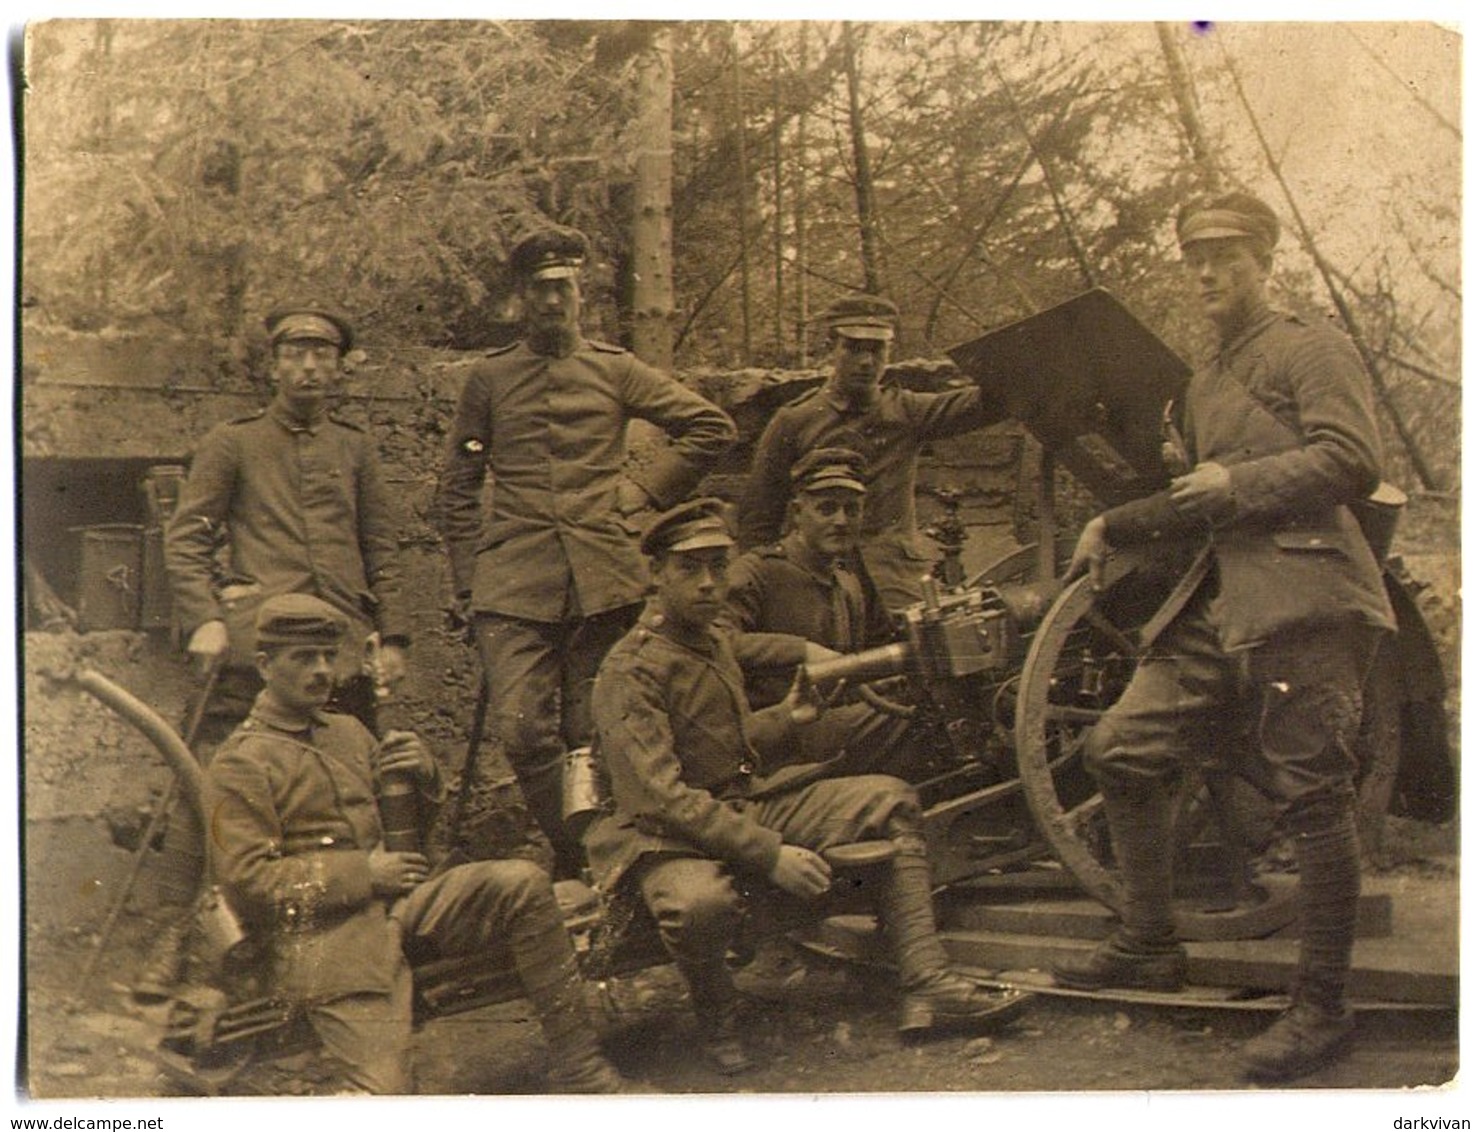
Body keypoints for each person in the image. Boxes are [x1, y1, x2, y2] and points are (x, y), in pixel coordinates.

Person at [1050, 192, 1396, 1083]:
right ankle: (1148, 939)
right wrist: (1118, 524)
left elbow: (1352, 459)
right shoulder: (1203, 382)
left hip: (1304, 597)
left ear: (1262, 262)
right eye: (1193, 258)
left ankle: (1320, 1010)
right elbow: (1195, 497)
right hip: (1218, 605)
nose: (1206, 273)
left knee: (1314, 799)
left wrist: (1236, 483)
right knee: (1122, 746)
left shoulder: (1306, 347)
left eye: (1226, 257)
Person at [583, 498, 1029, 1076]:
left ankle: (927, 983)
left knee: (887, 800)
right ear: (656, 575)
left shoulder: (710, 640)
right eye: (690, 568)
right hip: (663, 835)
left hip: (734, 805)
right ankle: (718, 1015)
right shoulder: (630, 670)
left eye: (719, 566)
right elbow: (661, 796)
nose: (709, 584)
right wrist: (770, 855)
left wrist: (782, 722)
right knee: (698, 905)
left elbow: (724, 748)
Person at [204, 594, 624, 1095]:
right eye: (303, 658)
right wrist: (365, 874)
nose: (321, 671)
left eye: (327, 657)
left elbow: (414, 840)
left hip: (404, 908)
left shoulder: (347, 731)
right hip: (330, 945)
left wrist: (424, 777)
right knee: (384, 1094)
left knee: (523, 882)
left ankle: (582, 1070)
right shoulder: (240, 764)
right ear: (265, 665)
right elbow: (247, 881)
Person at [433, 224, 736, 880]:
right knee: (522, 732)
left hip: (604, 581)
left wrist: (640, 489)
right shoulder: (489, 380)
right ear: (521, 295)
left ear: (581, 291)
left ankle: (599, 863)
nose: (551, 302)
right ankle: (574, 849)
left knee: (592, 733)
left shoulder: (613, 368)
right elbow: (457, 487)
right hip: (513, 586)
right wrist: (467, 584)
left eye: (563, 287)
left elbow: (710, 425)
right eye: (539, 289)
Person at [142, 303, 411, 1000]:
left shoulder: (355, 448)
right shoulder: (235, 442)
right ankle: (173, 933)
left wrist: (396, 637)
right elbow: (188, 535)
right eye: (296, 352)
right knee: (204, 781)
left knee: (353, 784)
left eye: (324, 354)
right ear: (274, 364)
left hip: (341, 649)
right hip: (258, 648)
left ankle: (347, 928)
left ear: (340, 366)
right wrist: (206, 619)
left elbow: (383, 546)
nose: (311, 366)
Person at [738, 294, 1003, 640]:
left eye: (877, 350)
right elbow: (758, 520)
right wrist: (766, 590)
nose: (866, 361)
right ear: (832, 346)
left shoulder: (906, 411)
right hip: (820, 582)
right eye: (854, 348)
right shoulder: (794, 421)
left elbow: (982, 405)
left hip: (896, 582)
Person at [721, 447, 926, 783]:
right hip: (782, 730)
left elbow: (882, 641)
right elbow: (720, 641)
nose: (841, 521)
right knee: (922, 721)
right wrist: (802, 651)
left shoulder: (848, 576)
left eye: (852, 510)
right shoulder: (758, 571)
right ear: (798, 512)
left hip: (838, 717)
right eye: (827, 509)